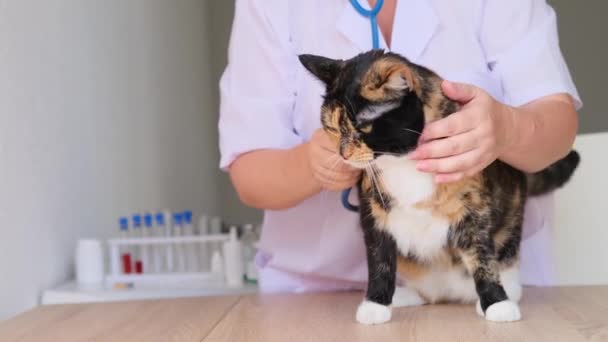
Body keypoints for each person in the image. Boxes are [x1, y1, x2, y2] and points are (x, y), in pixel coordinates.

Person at [218, 0, 581, 293]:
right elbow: (250, 174)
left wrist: (506, 128)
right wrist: (312, 164)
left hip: (482, 280)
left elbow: (558, 125)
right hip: (317, 293)